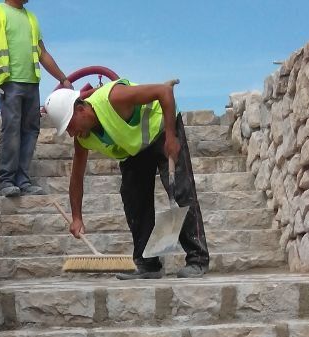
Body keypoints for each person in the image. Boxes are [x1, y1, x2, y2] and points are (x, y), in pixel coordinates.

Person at [44, 79, 209, 278]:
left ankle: (197, 259)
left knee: (181, 191)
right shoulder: (83, 138)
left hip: (161, 129)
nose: (71, 134)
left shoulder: (113, 97)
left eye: (69, 126)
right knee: (133, 199)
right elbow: (76, 177)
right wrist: (77, 217)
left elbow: (164, 90)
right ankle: (148, 264)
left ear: (80, 110)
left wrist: (172, 137)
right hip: (134, 149)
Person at [0, 0, 73, 197]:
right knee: (12, 128)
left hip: (31, 83)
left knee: (31, 130)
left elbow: (42, 53)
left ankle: (22, 179)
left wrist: (63, 78)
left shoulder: (31, 18)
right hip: (9, 81)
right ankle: (6, 180)